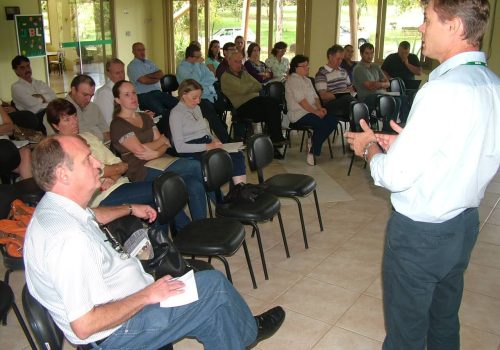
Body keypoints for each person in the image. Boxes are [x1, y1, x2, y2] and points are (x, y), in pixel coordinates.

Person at [24, 134, 286, 350]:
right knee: (213, 287)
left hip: (123, 307)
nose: (97, 164)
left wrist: (128, 208)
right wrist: (147, 295)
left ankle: (238, 335)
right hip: (116, 334)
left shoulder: (56, 207)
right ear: (63, 174)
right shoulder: (68, 241)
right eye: (86, 160)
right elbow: (84, 325)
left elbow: (93, 215)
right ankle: (249, 331)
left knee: (212, 314)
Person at [345, 0, 500, 349]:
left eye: (427, 20)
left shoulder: (441, 89)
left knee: (406, 334)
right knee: (444, 321)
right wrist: (406, 141)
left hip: (421, 236)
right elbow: (465, 149)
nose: (420, 28)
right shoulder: (491, 83)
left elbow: (395, 176)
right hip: (463, 225)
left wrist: (370, 147)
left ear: (456, 27)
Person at [110, 80, 207, 221]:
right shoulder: (118, 124)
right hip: (141, 169)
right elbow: (140, 150)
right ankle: (221, 202)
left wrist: (157, 151)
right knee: (195, 166)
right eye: (127, 94)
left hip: (161, 159)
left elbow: (166, 142)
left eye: (134, 93)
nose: (133, 97)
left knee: (195, 184)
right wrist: (160, 143)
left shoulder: (144, 116)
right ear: (117, 100)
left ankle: (201, 227)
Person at [170, 79, 246, 184]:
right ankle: (231, 192)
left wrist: (214, 140)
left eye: (199, 97)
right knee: (219, 160)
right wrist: (208, 147)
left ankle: (240, 189)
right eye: (194, 98)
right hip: (191, 149)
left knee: (237, 155)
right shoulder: (176, 114)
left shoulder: (196, 108)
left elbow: (205, 131)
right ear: (183, 94)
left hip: (205, 142)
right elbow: (179, 147)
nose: (198, 101)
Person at [221, 51, 286, 144]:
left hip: (254, 102)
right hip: (241, 107)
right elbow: (242, 89)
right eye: (236, 61)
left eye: (240, 62)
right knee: (270, 107)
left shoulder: (244, 73)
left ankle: (273, 141)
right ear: (229, 61)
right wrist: (249, 87)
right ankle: (275, 140)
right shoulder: (225, 77)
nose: (239, 64)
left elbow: (258, 85)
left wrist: (247, 87)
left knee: (274, 103)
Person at [285, 55, 338, 166]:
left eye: (307, 65)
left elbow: (316, 97)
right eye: (303, 66)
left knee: (333, 119)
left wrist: (320, 108)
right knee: (320, 123)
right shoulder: (292, 80)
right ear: (296, 68)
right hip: (298, 114)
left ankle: (312, 143)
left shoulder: (308, 80)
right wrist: (316, 112)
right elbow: (301, 101)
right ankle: (313, 151)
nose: (307, 68)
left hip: (312, 111)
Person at [176, 44, 230, 142]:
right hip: (193, 99)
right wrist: (197, 66)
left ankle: (224, 130)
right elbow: (195, 83)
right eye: (198, 57)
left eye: (200, 56)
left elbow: (211, 77)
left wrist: (202, 82)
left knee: (223, 102)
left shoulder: (200, 65)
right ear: (190, 57)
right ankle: (226, 140)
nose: (201, 59)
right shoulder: (182, 68)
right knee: (211, 112)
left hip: (208, 93)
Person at [43, 74, 110, 141]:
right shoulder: (55, 111)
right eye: (85, 95)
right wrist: (98, 133)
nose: (89, 99)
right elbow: (57, 143)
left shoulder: (94, 107)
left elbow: (107, 134)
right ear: (73, 90)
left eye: (91, 95)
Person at [352, 43, 406, 123]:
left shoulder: (375, 66)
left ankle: (404, 124)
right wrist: (381, 83)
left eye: (371, 53)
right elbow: (370, 86)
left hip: (381, 94)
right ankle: (388, 128)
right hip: (367, 97)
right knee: (396, 101)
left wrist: (378, 84)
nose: (370, 56)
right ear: (361, 54)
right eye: (367, 53)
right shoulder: (359, 69)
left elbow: (388, 83)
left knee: (403, 98)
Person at [126, 42, 178, 118]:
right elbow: (144, 81)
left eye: (143, 50)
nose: (142, 52)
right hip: (144, 95)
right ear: (133, 52)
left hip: (158, 92)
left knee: (178, 105)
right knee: (161, 112)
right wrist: (155, 78)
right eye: (139, 50)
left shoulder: (149, 62)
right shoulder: (132, 66)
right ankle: (163, 128)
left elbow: (161, 73)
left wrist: (147, 76)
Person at [11, 55, 57, 131]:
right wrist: (45, 98)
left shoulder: (40, 83)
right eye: (22, 68)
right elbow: (31, 103)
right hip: (34, 118)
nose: (27, 69)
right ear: (16, 71)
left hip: (48, 111)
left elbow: (54, 96)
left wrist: (40, 97)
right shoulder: (16, 87)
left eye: (28, 66)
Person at [314, 45, 356, 119]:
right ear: (330, 57)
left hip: (346, 101)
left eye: (341, 59)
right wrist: (341, 94)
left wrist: (335, 93)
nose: (340, 61)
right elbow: (323, 96)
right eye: (338, 59)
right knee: (350, 101)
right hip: (330, 105)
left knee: (356, 101)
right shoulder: (322, 73)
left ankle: (358, 126)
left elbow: (351, 89)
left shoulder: (343, 71)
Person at [0, 107, 32, 179]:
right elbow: (7, 128)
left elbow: (11, 128)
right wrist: (4, 128)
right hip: (5, 147)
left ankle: (27, 186)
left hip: (8, 144)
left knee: (25, 151)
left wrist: (6, 128)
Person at [93, 58, 126, 126]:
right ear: (108, 74)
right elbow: (109, 122)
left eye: (122, 72)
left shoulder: (125, 88)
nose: (121, 76)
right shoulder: (105, 93)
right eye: (117, 73)